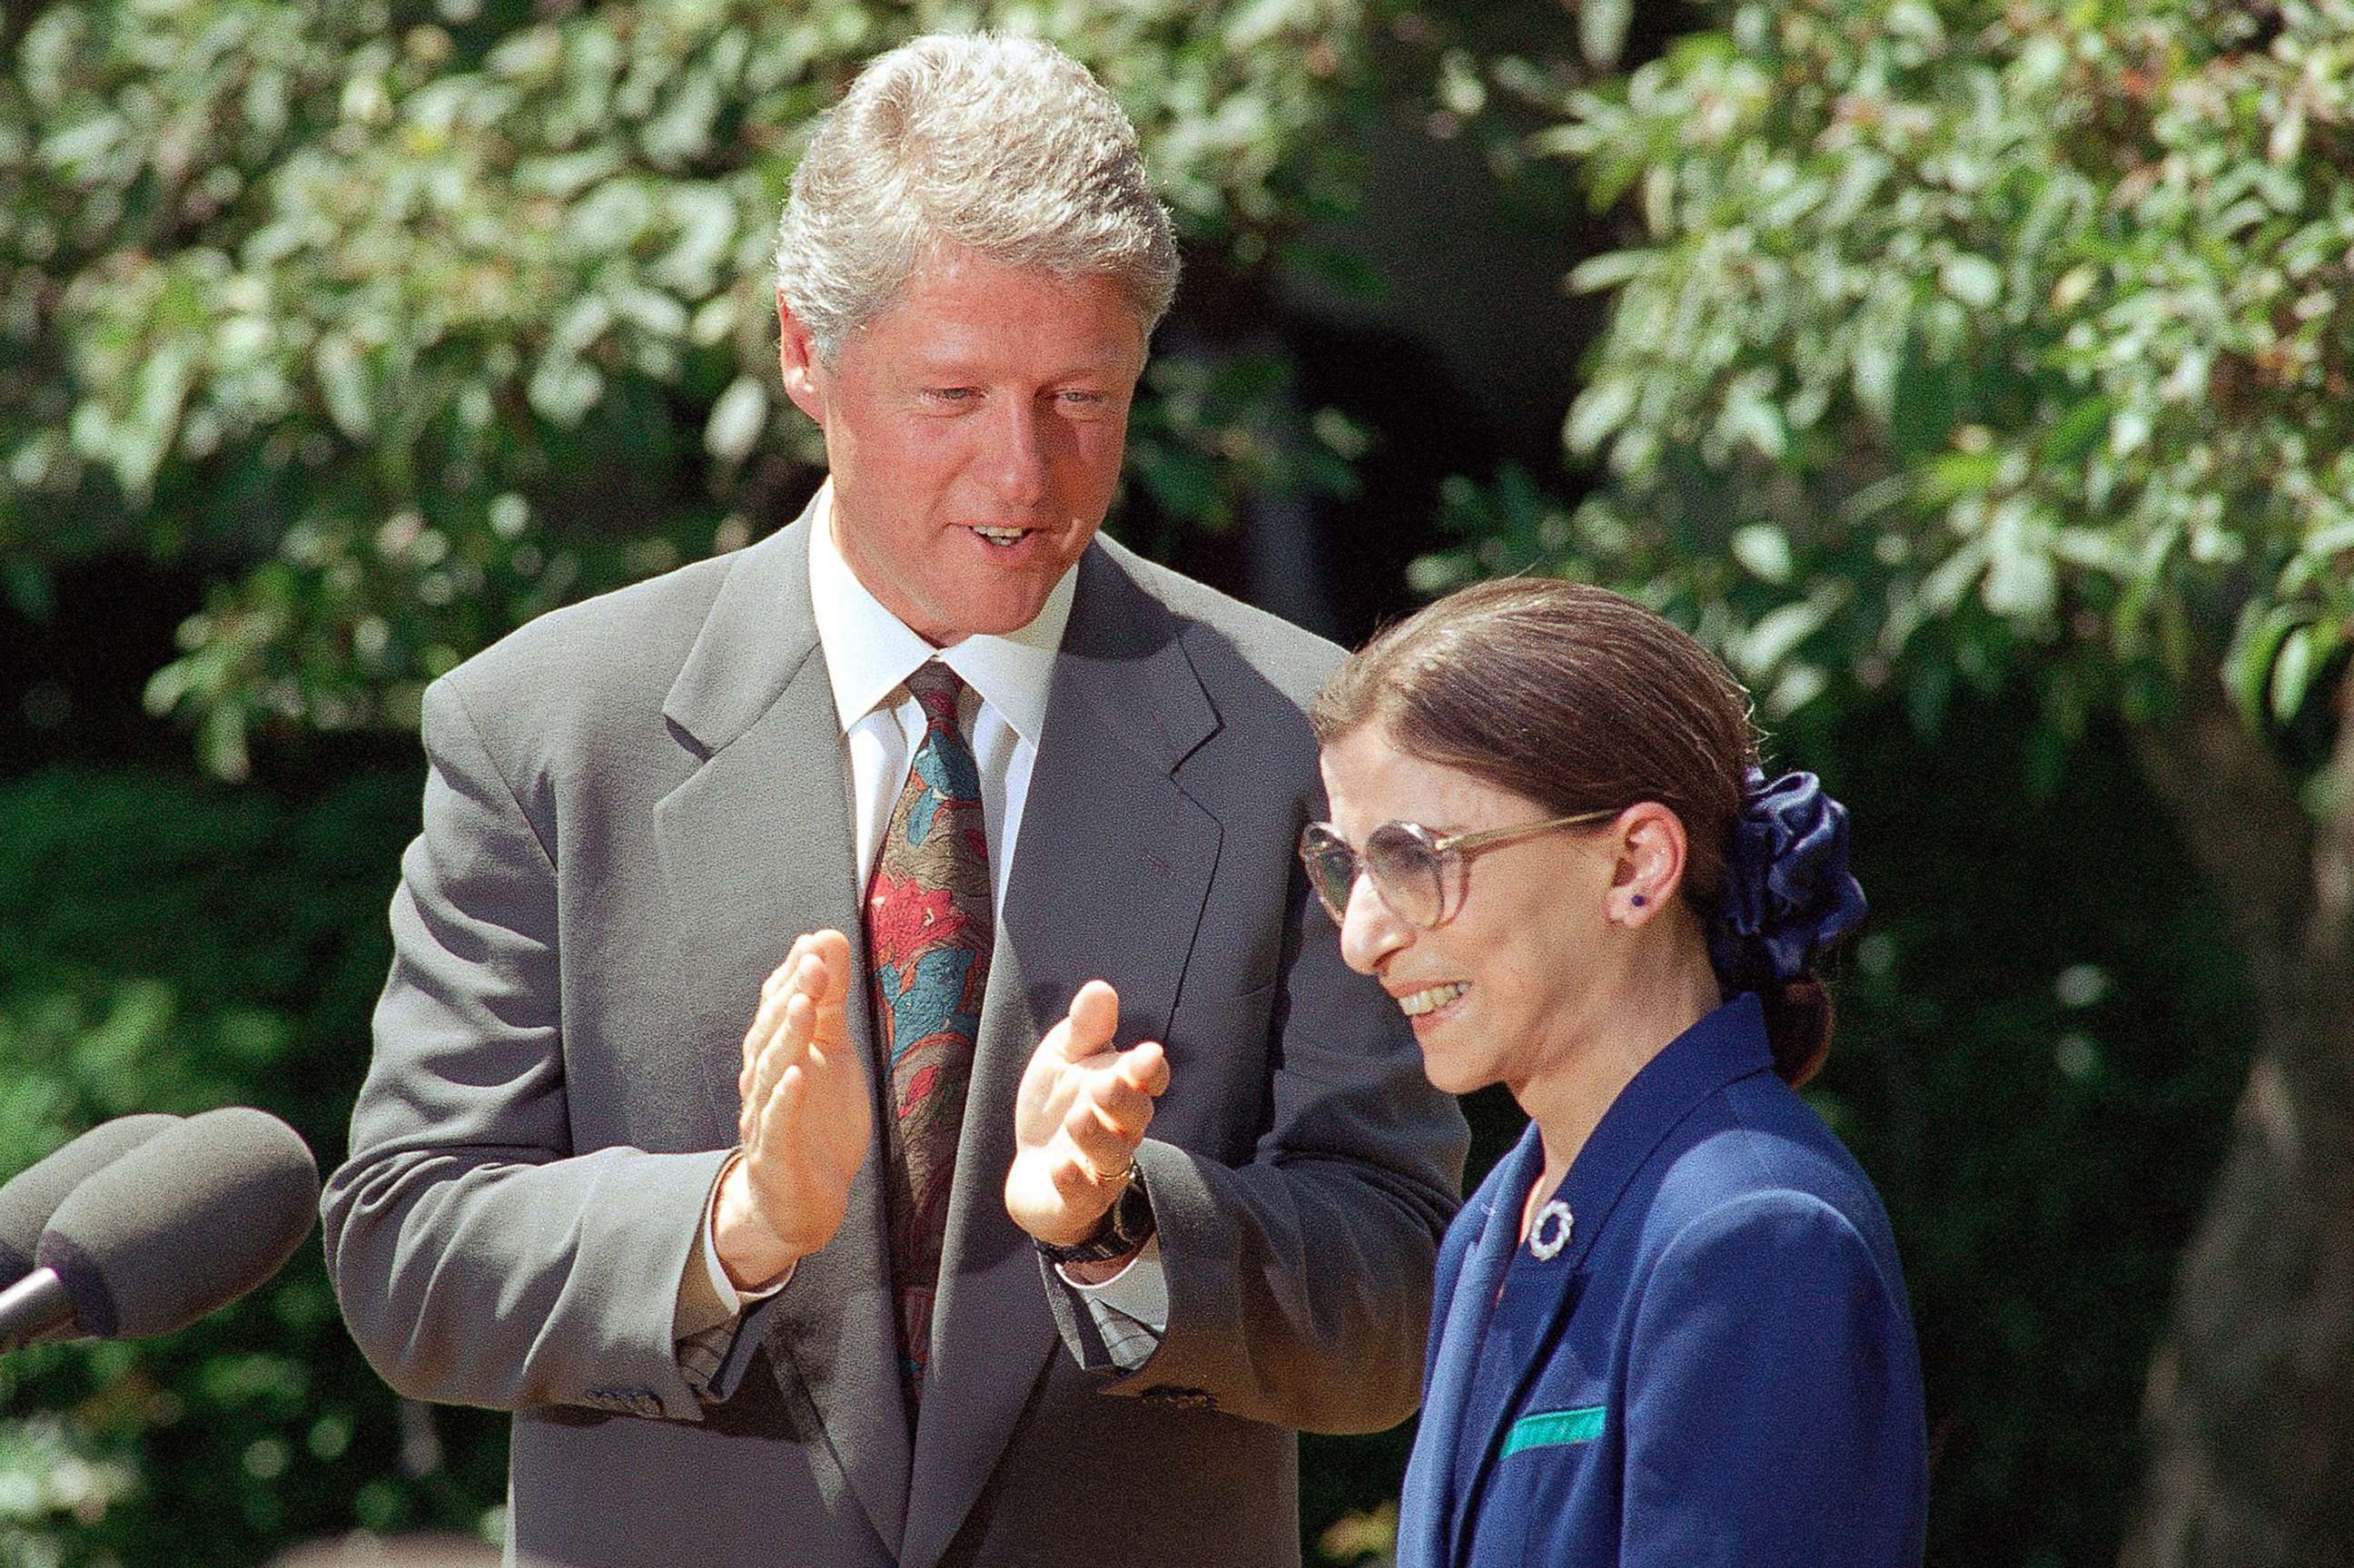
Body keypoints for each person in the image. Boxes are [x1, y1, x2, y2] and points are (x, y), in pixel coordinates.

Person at [321, 34, 1466, 1568]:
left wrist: (1132, 1230)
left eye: (1083, 396)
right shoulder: (546, 730)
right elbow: (405, 1250)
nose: (1024, 472)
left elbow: (1397, 1296)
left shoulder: (1302, 740)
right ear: (806, 354)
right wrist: (732, 1221)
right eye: (953, 393)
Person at [1303, 578, 1926, 1568]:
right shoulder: (1489, 1226)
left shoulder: (1755, 1232)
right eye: (1345, 869)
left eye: (1413, 858)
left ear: (1638, 861)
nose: (1364, 937)